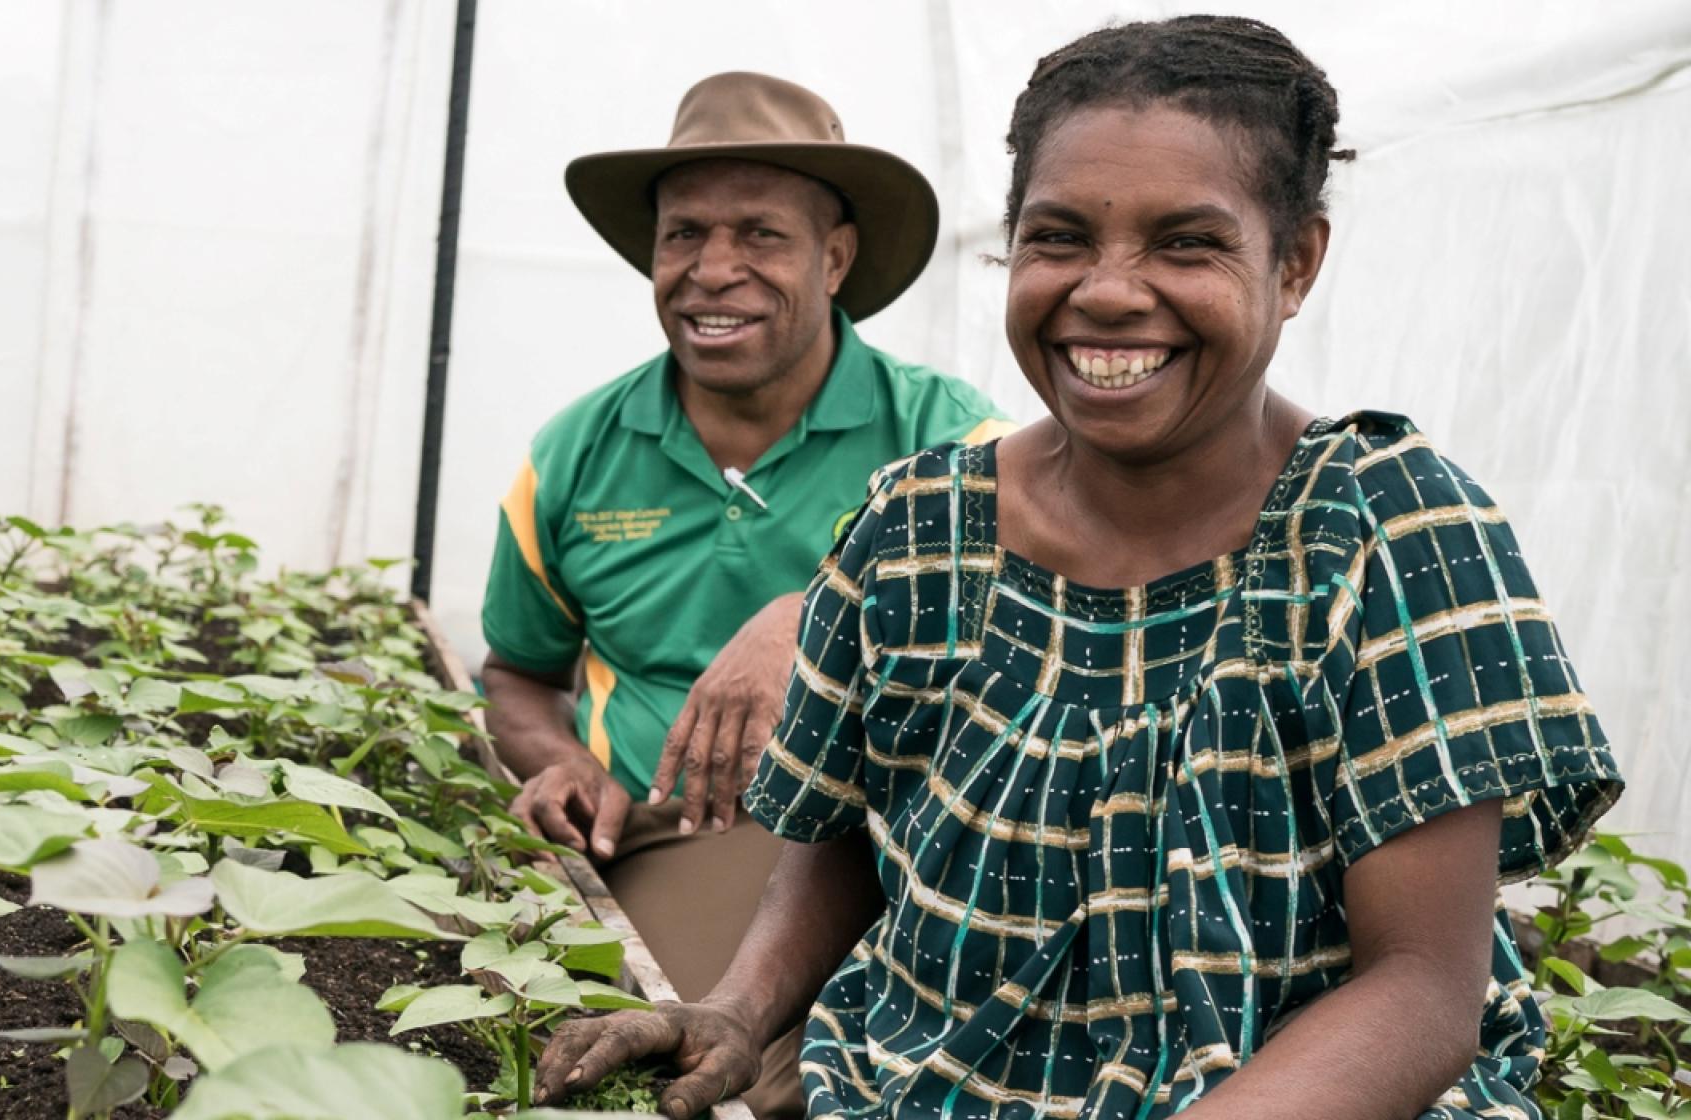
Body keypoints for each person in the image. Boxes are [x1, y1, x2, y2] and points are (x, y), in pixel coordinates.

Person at [533, 17, 1626, 1120]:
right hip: (929, 1085)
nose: (1107, 291)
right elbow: (843, 844)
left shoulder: (1383, 530)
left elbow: (1423, 986)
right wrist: (736, 1007)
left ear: (1293, 263)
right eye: (1057, 237)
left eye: (1186, 243)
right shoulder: (917, 528)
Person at [480, 72, 1009, 1118]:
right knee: (746, 1075)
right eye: (683, 236)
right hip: (673, 843)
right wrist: (565, 763)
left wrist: (816, 613)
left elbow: (1039, 606)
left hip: (893, 841)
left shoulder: (954, 439)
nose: (711, 271)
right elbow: (516, 673)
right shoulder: (574, 455)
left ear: (836, 258)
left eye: (760, 235)